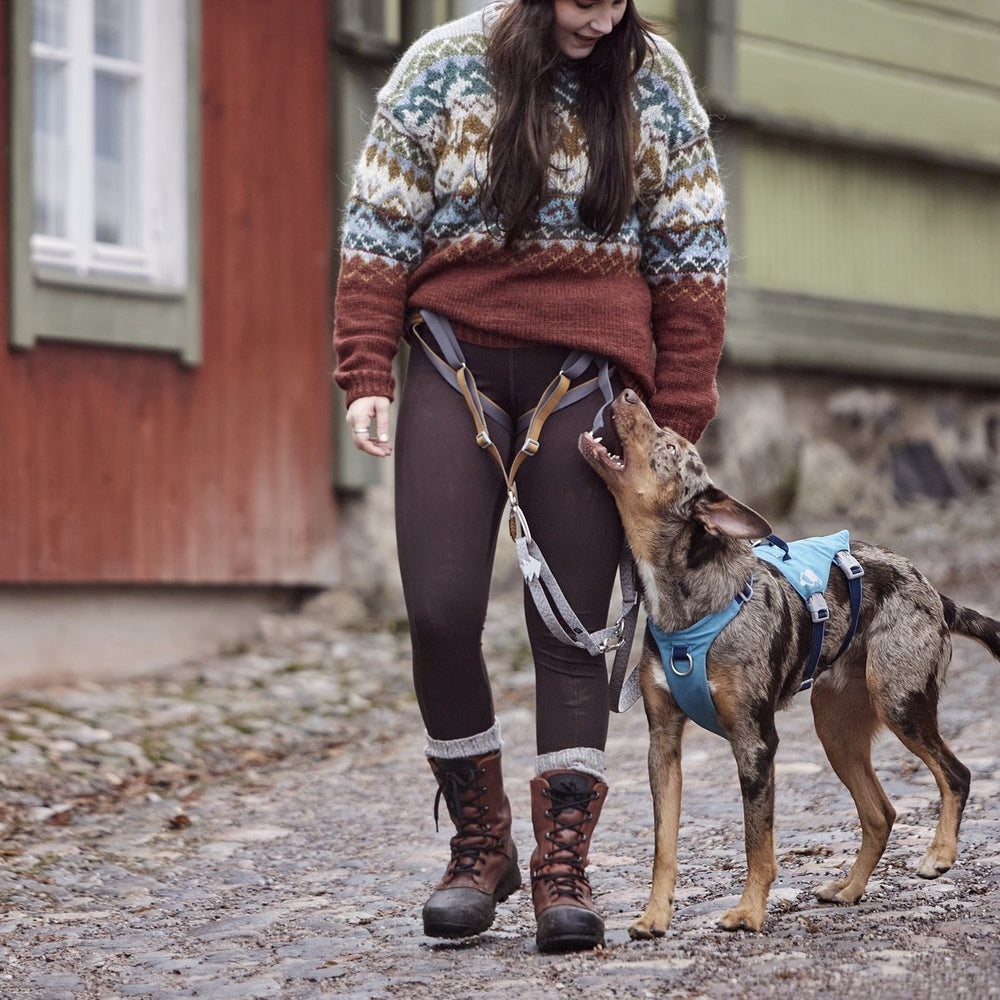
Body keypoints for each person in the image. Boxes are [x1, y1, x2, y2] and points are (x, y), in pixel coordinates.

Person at [332, 0, 728, 953]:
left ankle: (562, 866)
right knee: (439, 611)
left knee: (572, 626)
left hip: (588, 374)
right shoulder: (441, 66)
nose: (602, 16)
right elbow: (379, 225)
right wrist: (365, 368)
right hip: (452, 357)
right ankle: (482, 845)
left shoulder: (656, 84)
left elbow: (692, 256)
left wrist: (676, 419)